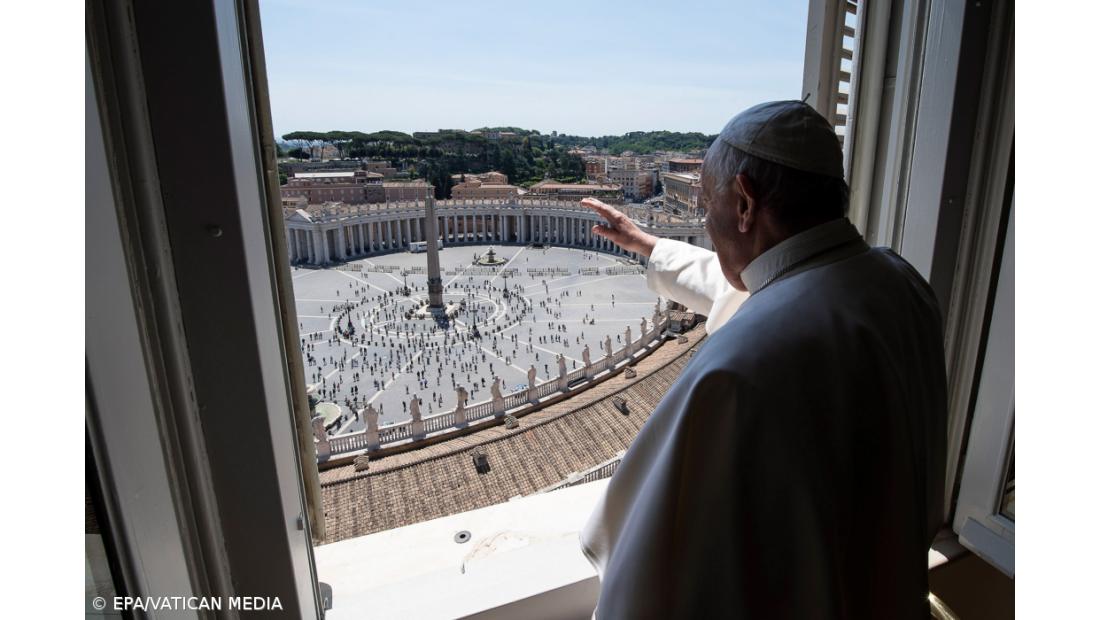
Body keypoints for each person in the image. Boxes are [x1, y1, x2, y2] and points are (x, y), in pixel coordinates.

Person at [579, 101, 947, 619]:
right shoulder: (900, 282)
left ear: (746, 203)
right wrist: (648, 244)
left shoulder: (737, 367)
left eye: (707, 203)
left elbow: (650, 575)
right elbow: (763, 287)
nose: (704, 221)